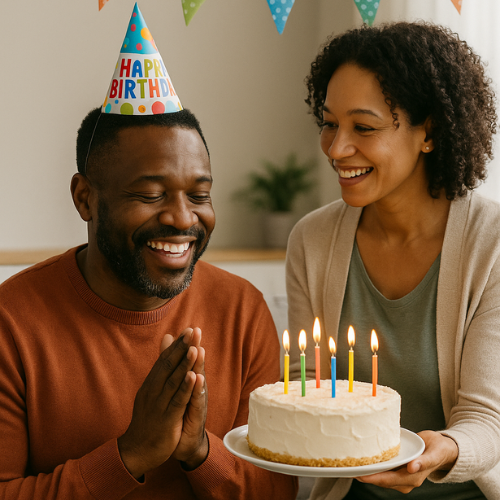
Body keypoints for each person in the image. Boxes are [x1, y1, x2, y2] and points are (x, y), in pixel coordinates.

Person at [0, 106, 298, 499]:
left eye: (199, 195)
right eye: (151, 194)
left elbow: (278, 490)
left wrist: (200, 451)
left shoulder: (242, 310)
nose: (181, 217)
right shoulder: (12, 321)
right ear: (85, 198)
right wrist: (130, 455)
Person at [287, 21, 500, 499]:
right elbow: (305, 387)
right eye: (329, 122)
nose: (337, 148)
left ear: (430, 131)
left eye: (363, 127)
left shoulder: (493, 245)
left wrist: (438, 450)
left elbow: (489, 420)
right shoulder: (312, 240)